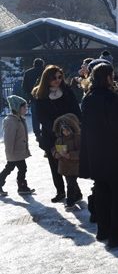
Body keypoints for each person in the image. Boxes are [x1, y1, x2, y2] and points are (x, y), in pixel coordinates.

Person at [80, 62, 118, 248]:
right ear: (108, 77)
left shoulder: (88, 98)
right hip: (116, 155)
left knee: (103, 193)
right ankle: (117, 235)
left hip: (97, 155)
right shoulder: (110, 98)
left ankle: (103, 230)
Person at [32, 65, 82, 204]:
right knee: (54, 164)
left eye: (60, 77)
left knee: (66, 162)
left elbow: (76, 111)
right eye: (54, 78)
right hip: (52, 135)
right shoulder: (40, 95)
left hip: (68, 135)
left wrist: (74, 127)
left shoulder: (67, 91)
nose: (58, 80)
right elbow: (41, 116)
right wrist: (56, 128)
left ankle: (73, 191)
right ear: (47, 78)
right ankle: (61, 191)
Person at [1, 95, 35, 196]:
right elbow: (8, 139)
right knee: (18, 168)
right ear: (17, 108)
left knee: (15, 168)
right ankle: (22, 186)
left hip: (18, 151)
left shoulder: (19, 119)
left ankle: (22, 186)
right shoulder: (11, 121)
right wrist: (10, 153)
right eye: (24, 107)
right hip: (14, 152)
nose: (26, 109)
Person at [52, 113, 81, 208]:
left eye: (67, 130)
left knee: (70, 184)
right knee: (71, 183)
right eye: (63, 131)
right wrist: (57, 154)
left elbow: (81, 152)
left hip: (74, 166)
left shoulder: (77, 138)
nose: (65, 132)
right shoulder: (60, 139)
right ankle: (78, 195)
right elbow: (54, 149)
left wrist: (71, 155)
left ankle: (70, 201)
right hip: (64, 166)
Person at [22, 58, 45, 139]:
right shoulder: (45, 72)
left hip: (33, 97)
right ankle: (45, 130)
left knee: (35, 116)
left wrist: (29, 95)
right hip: (45, 97)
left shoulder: (28, 73)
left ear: (33, 64)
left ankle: (37, 133)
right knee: (46, 114)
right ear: (42, 64)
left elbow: (24, 86)